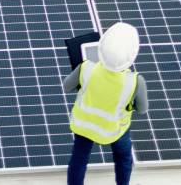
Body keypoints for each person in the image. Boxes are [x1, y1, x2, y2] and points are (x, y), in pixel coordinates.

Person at [63, 22, 147, 185]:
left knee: (79, 159)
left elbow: (67, 86)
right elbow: (142, 109)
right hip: (114, 130)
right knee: (123, 158)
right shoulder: (136, 81)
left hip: (83, 125)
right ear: (132, 55)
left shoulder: (86, 67)